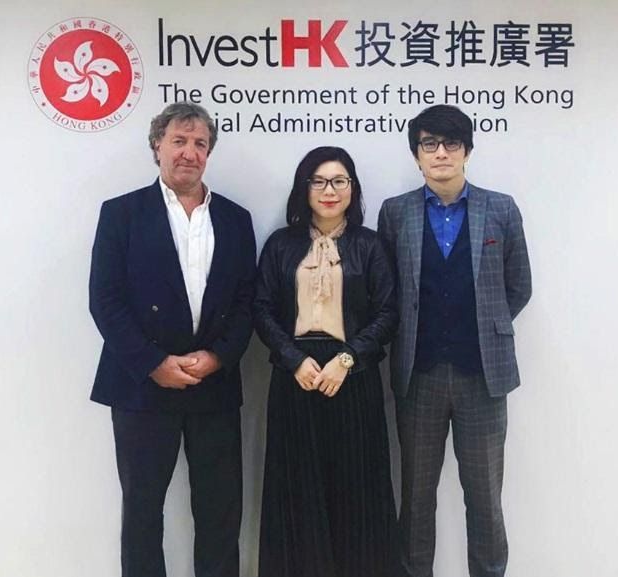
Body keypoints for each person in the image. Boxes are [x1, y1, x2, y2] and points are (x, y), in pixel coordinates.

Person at [88, 102, 256, 577]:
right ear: (157, 146)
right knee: (142, 511)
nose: (189, 152)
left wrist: (218, 356)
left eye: (200, 143)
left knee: (221, 511)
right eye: (179, 141)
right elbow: (105, 300)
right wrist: (153, 363)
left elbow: (248, 301)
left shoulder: (235, 218)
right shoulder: (121, 214)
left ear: (209, 153)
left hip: (213, 384)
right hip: (142, 385)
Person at [377, 105, 532, 577]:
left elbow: (519, 286)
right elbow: (387, 292)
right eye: (430, 144)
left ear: (467, 151)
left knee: (485, 498)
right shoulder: (396, 212)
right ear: (416, 155)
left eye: (451, 144)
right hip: (418, 376)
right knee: (416, 498)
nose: (440, 153)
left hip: (482, 377)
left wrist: (484, 327)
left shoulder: (501, 208)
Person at [254, 146, 400, 577]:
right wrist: (293, 359)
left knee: (357, 489)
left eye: (339, 181)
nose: (329, 190)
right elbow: (261, 308)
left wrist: (348, 357)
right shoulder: (280, 245)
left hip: (352, 374)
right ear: (304, 188)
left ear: (352, 188)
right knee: (296, 489)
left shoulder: (370, 245)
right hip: (296, 375)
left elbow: (388, 312)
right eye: (318, 181)